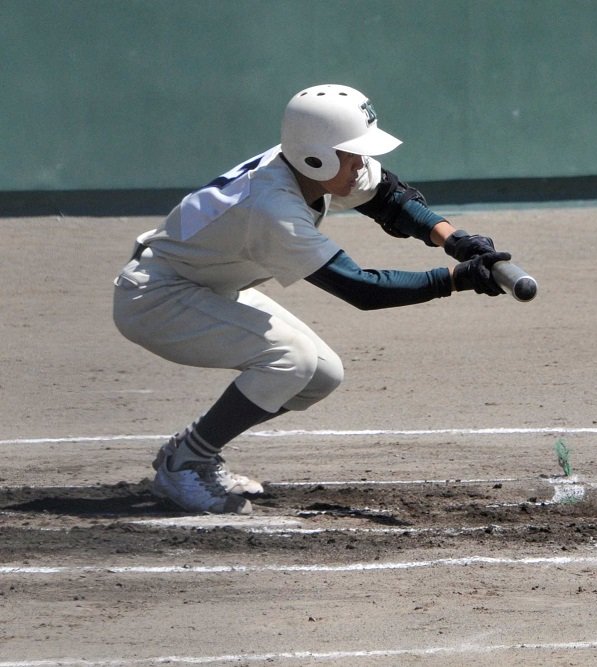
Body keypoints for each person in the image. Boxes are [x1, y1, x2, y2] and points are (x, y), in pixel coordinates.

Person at [113, 84, 512, 515]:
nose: (361, 163)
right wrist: (457, 279)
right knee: (293, 361)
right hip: (157, 299)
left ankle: (193, 450)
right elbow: (362, 289)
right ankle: (184, 465)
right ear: (315, 155)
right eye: (352, 153)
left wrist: (455, 239)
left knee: (321, 375)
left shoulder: (307, 167)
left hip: (204, 285)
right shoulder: (271, 208)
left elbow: (391, 200)